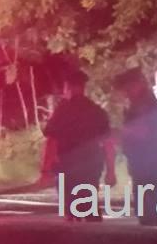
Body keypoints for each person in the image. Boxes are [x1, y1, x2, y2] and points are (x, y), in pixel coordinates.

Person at [43, 69, 115, 222]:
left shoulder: (62, 111)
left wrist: (46, 169)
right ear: (83, 87)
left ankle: (76, 230)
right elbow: (108, 143)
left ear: (68, 87)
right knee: (90, 205)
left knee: (72, 211)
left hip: (68, 168)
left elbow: (52, 141)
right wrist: (111, 171)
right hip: (91, 167)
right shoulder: (97, 111)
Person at [115, 68, 157, 225]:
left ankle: (151, 235)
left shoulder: (146, 105)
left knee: (147, 207)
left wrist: (120, 132)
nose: (126, 93)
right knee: (145, 206)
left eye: (128, 88)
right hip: (143, 162)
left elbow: (143, 132)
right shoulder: (141, 104)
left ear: (137, 84)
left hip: (147, 163)